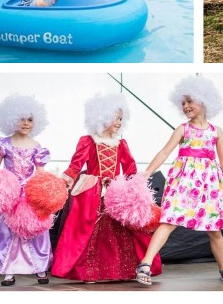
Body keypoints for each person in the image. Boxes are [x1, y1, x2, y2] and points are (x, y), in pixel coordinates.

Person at [135, 76, 223, 285]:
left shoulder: (216, 132)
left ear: (203, 100)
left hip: (210, 185)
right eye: (183, 103)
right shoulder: (183, 129)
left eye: (189, 101)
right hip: (184, 182)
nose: (185, 106)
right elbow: (164, 152)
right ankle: (145, 263)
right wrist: (147, 173)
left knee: (214, 229)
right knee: (168, 221)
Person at [51, 94, 161, 282]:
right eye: (115, 118)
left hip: (116, 192)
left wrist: (137, 189)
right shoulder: (88, 141)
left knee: (119, 231)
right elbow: (76, 165)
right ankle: (91, 272)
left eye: (120, 119)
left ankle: (121, 271)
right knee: (91, 231)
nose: (119, 122)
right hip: (92, 192)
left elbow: (130, 170)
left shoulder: (121, 144)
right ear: (101, 117)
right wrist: (63, 181)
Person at [0, 94, 52, 286]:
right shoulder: (3, 144)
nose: (25, 123)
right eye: (21, 119)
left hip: (29, 193)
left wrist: (42, 193)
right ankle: (9, 270)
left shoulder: (37, 147)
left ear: (36, 122)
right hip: (9, 193)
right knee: (6, 230)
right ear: (11, 119)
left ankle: (39, 268)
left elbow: (40, 173)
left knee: (35, 229)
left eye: (30, 119)